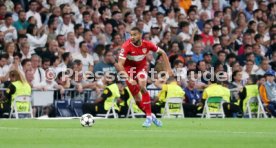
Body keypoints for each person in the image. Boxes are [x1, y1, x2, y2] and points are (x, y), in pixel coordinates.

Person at [118, 27, 173, 127]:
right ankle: (151, 116)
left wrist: (168, 68)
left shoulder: (147, 44)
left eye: (134, 35)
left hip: (140, 69)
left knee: (143, 86)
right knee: (137, 100)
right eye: (131, 35)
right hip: (129, 71)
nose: (132, 37)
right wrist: (129, 78)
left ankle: (148, 118)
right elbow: (120, 64)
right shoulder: (126, 46)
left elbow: (163, 53)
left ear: (140, 35)